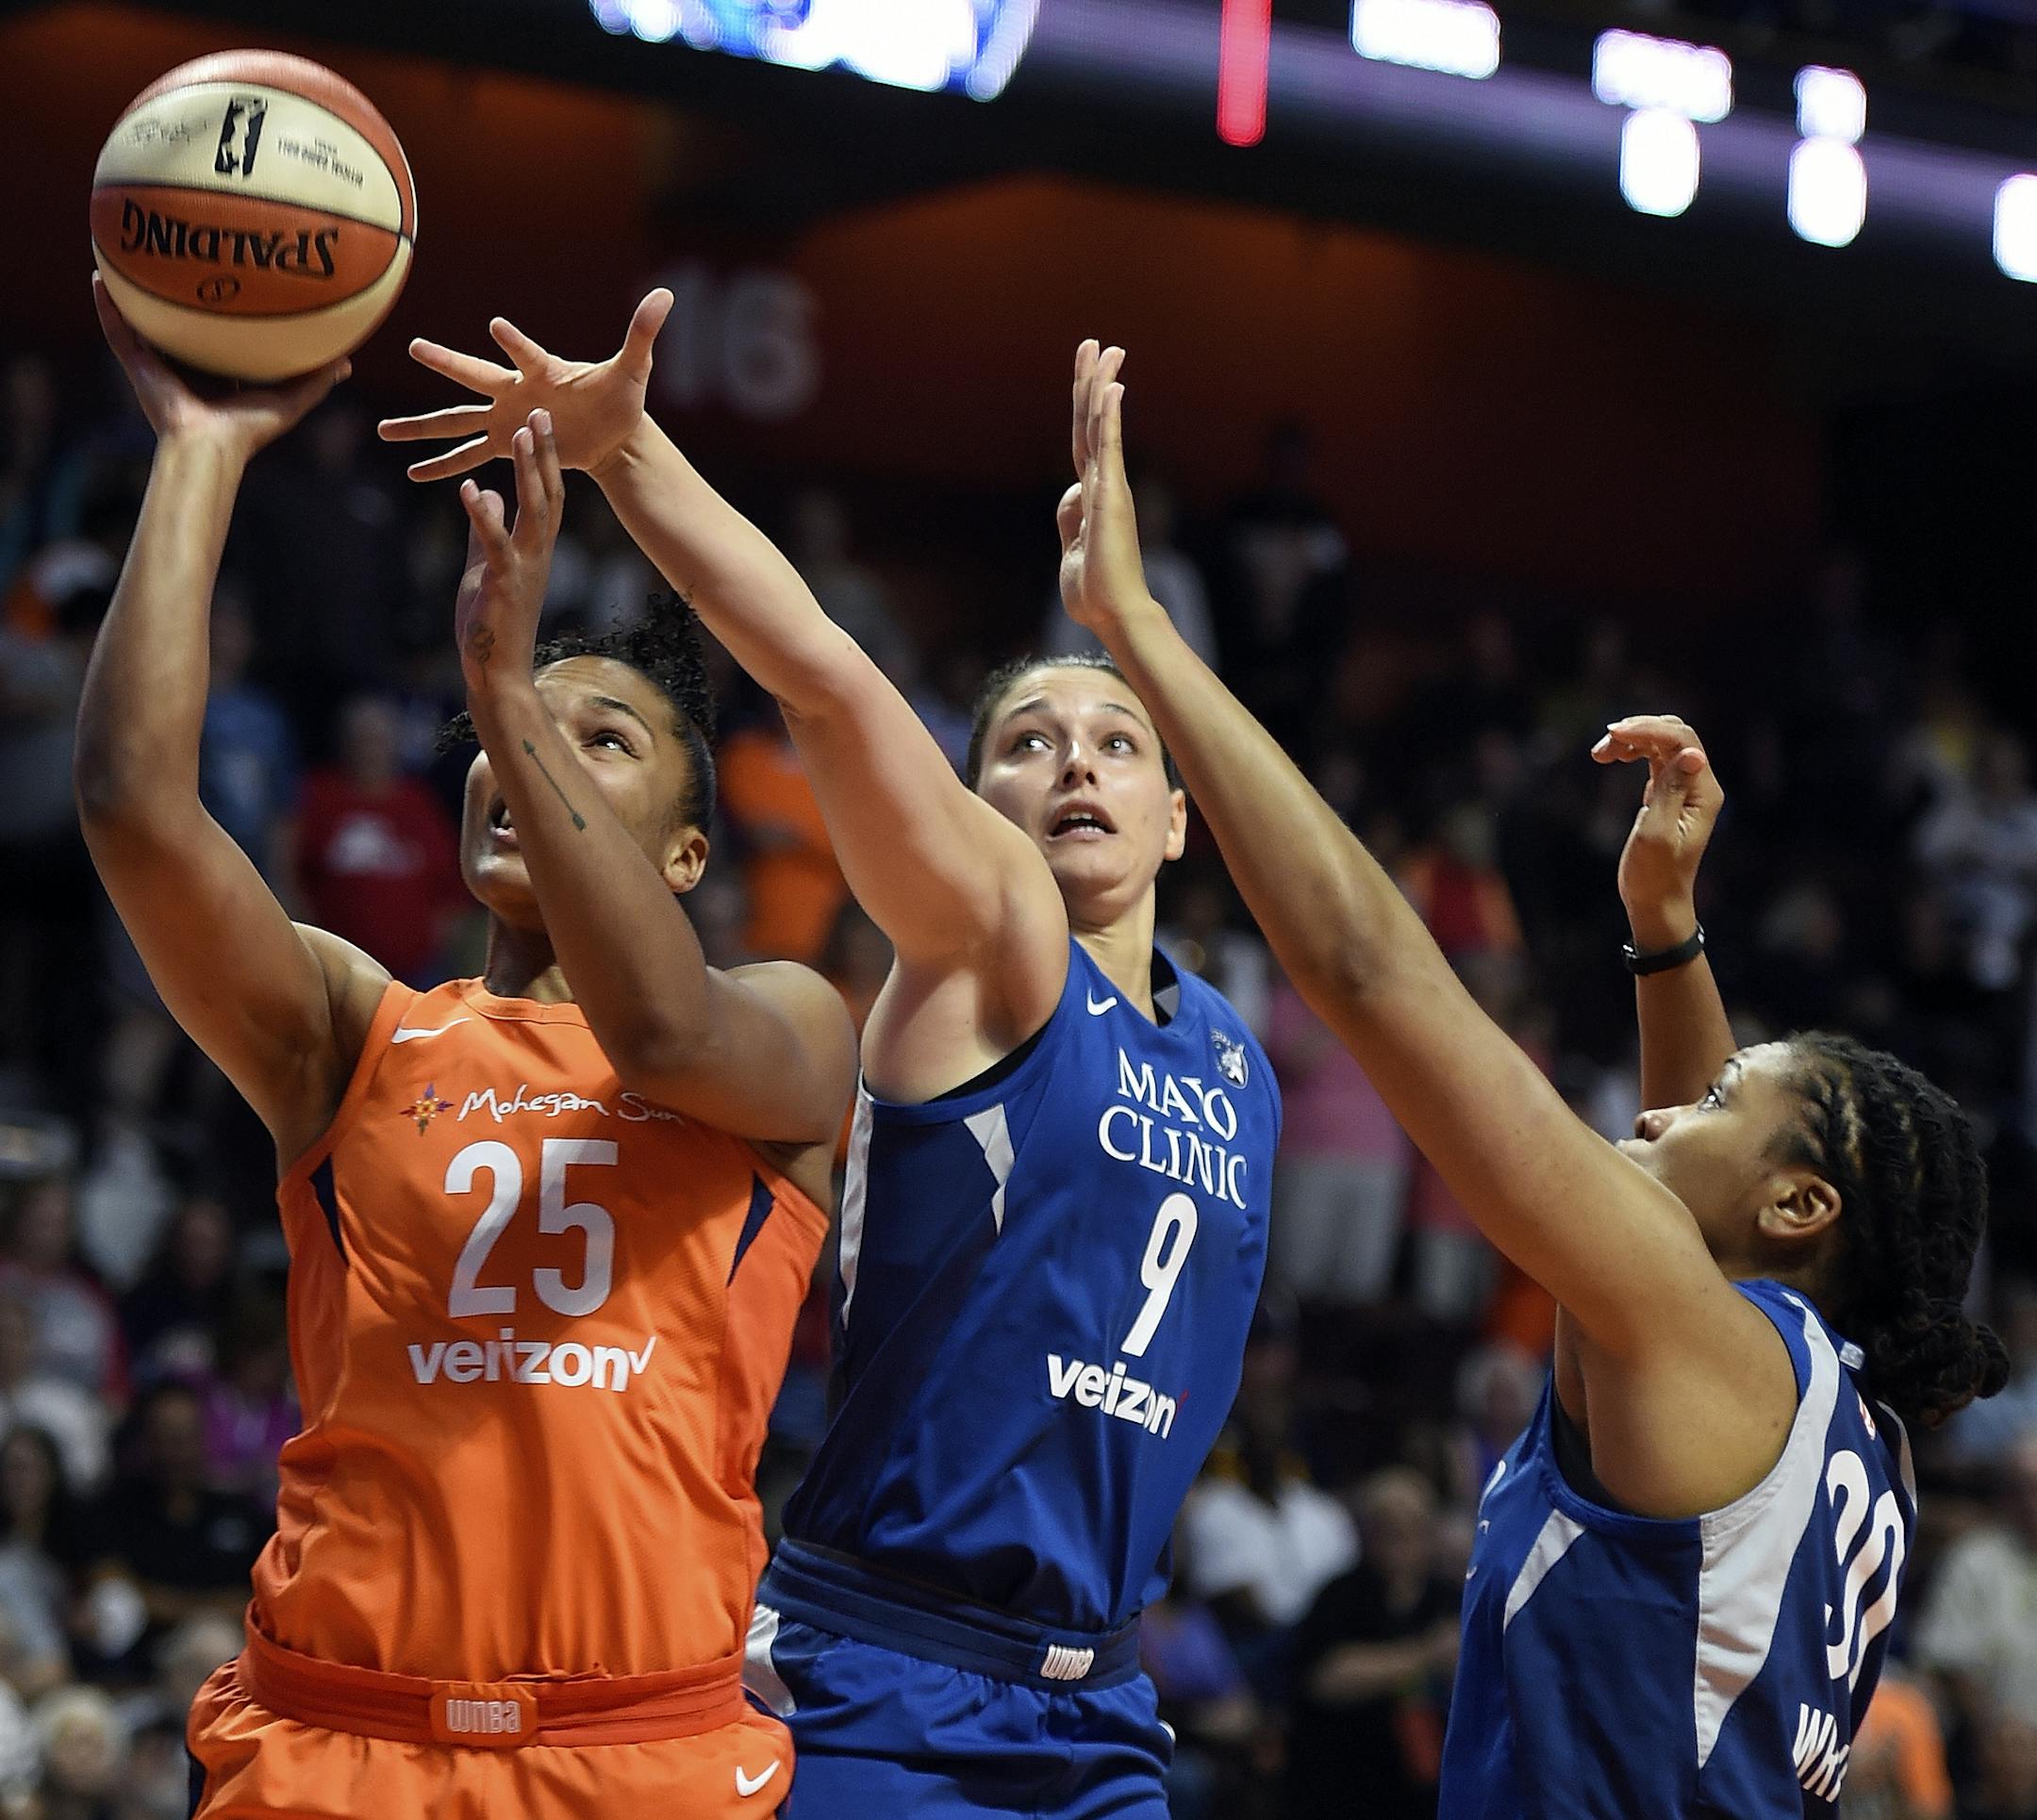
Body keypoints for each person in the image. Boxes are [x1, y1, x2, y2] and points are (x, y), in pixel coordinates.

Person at [1054, 339, 2005, 1816]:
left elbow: (1376, 975)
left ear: (1805, 1198)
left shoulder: (1714, 1348)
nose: (1667, 1104)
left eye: (1721, 1094)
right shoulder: (1844, 1431)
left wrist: (1144, 637)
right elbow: (1701, 1202)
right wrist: (1666, 935)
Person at [382, 292, 1282, 1817]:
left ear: (1184, 817)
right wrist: (630, 456)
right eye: (1026, 741)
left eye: (1119, 742)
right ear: (966, 803)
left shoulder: (1241, 1059)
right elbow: (826, 677)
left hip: (1103, 1695)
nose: (1073, 760)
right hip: (884, 1665)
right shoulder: (994, 942)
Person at [75, 278, 854, 1816]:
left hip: (636, 1756)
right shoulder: (358, 1030)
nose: (525, 761)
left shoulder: (788, 1024)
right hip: (334, 1740)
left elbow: (659, 1024)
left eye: (598, 739)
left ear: (690, 853)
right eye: (513, 742)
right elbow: (136, 813)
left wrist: (504, 682)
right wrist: (204, 446)